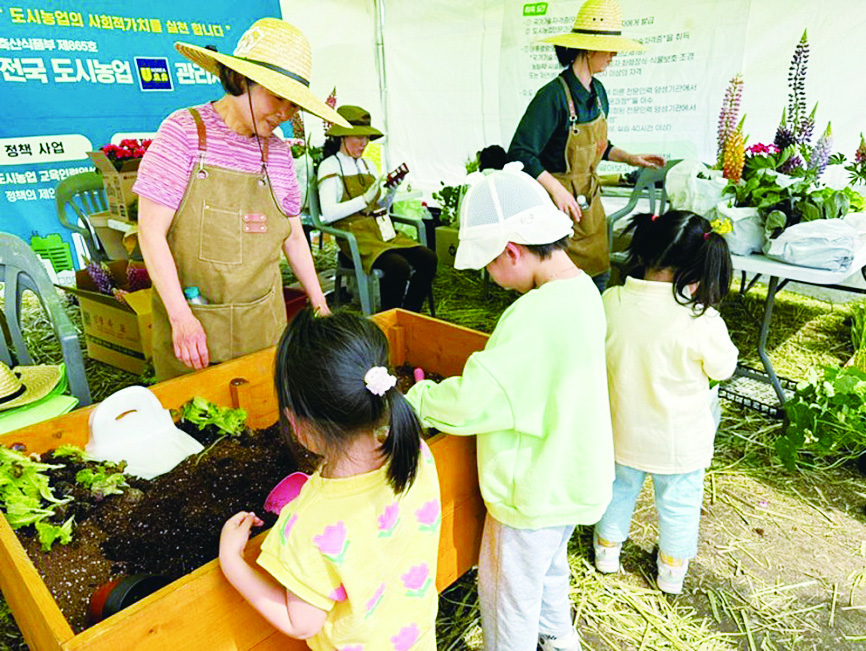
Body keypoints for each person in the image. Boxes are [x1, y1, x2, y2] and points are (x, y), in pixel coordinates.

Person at [406, 166, 614, 651]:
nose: (490, 279)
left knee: (507, 598)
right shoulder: (584, 290)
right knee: (548, 571)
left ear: (513, 251)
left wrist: (418, 400)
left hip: (532, 491)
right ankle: (559, 639)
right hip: (571, 477)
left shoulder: (533, 315)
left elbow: (479, 398)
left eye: (488, 265)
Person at [135, 18, 349, 381]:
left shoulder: (280, 154)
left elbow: (293, 236)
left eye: (294, 105)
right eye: (277, 96)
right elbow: (151, 232)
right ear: (240, 80)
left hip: (262, 324)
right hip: (194, 323)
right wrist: (179, 316)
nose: (284, 112)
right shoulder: (185, 132)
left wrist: (319, 303)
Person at [219, 308, 441, 649]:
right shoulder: (415, 452)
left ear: (296, 423)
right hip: (417, 639)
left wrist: (232, 561)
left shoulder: (307, 520)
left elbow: (302, 623)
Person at [593, 210, 738, 595]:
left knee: (618, 490)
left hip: (620, 430)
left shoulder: (612, 301)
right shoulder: (702, 320)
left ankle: (607, 552)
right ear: (698, 269)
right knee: (678, 502)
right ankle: (671, 573)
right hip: (679, 441)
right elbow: (723, 369)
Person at [507, 0, 665, 293]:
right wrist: (557, 190)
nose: (614, 55)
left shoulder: (599, 92)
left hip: (589, 204)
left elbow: (597, 146)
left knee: (598, 275)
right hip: (556, 210)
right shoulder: (552, 96)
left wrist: (629, 158)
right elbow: (520, 152)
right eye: (609, 48)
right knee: (561, 284)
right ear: (589, 47)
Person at [317, 105, 437, 312]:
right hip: (352, 234)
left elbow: (381, 207)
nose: (364, 143)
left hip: (380, 230)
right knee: (397, 267)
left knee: (428, 258)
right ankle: (388, 319)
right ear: (342, 136)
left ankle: (409, 313)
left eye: (366, 137)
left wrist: (390, 191)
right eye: (357, 137)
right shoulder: (329, 166)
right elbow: (328, 214)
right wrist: (364, 200)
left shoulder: (369, 165)